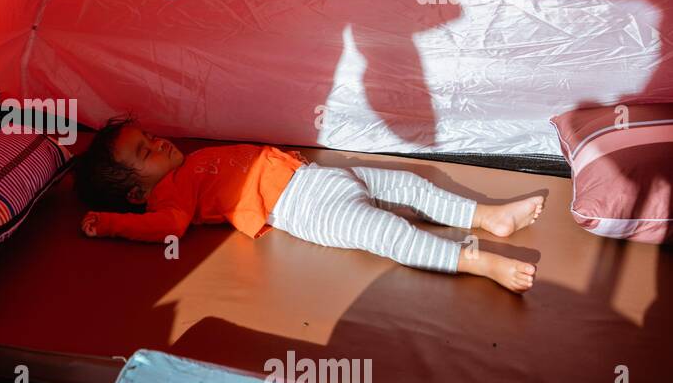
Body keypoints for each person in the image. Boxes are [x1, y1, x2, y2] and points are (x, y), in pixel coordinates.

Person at [75, 115, 542, 292]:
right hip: (306, 210)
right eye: (145, 151)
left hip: (317, 177)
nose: (158, 143)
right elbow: (169, 229)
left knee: (410, 185)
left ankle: (487, 215)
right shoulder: (167, 199)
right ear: (138, 193)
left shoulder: (188, 162)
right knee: (386, 232)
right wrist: (113, 223)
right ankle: (474, 262)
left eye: (149, 137)